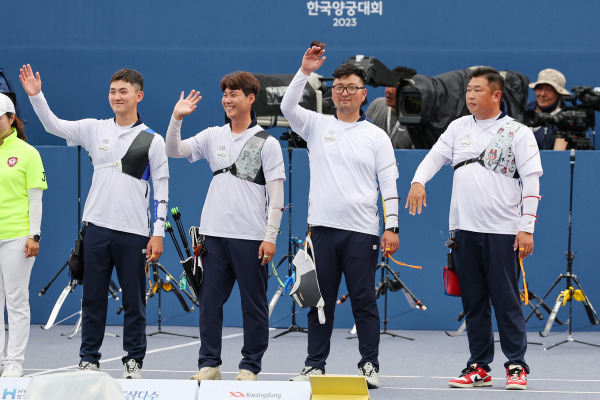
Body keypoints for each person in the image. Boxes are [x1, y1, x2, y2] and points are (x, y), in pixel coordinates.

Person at [19, 65, 169, 379]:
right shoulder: (93, 128)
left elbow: (162, 192)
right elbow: (53, 126)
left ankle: (133, 362)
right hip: (96, 229)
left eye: (123, 91)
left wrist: (158, 234)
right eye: (113, 91)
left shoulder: (153, 141)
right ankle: (89, 358)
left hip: (135, 234)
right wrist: (36, 97)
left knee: (133, 302)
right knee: (93, 299)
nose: (117, 96)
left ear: (138, 96)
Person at [406, 67, 542, 390]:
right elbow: (434, 158)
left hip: (503, 232)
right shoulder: (457, 128)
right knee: (474, 302)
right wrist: (417, 180)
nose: (470, 95)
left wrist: (527, 227)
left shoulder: (518, 133)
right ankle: (479, 366)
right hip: (463, 231)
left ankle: (516, 366)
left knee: (506, 300)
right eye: (468, 90)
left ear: (496, 95)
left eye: (477, 90)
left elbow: (532, 181)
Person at [280, 44, 400, 389]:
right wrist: (304, 71)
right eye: (338, 87)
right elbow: (288, 105)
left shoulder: (376, 136)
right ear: (331, 93)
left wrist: (391, 225)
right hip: (321, 232)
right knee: (319, 302)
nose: (344, 93)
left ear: (363, 94)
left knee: (364, 301)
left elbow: (389, 184)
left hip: (361, 233)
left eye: (351, 88)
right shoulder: (315, 125)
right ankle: (314, 365)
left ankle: (369, 366)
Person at [164, 71, 285, 382]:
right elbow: (173, 150)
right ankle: (210, 364)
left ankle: (249, 367)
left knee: (254, 306)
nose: (228, 100)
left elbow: (277, 195)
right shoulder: (211, 136)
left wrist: (270, 237)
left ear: (250, 99)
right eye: (225, 94)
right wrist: (177, 118)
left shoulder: (267, 143)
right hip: (213, 236)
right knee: (209, 304)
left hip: (252, 238)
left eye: (234, 94)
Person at [0, 93, 47, 377]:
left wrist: (35, 235)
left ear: (11, 119)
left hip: (17, 236)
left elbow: (35, 199)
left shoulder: (28, 153)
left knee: (15, 299)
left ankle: (14, 361)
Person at [366, 66, 417, 149]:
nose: (389, 91)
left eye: (394, 86)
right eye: (387, 85)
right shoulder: (377, 105)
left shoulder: (416, 119)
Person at [526, 68, 571, 150]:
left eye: (548, 89)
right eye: (539, 88)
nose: (542, 94)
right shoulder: (523, 111)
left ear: (560, 94)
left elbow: (557, 155)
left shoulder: (566, 119)